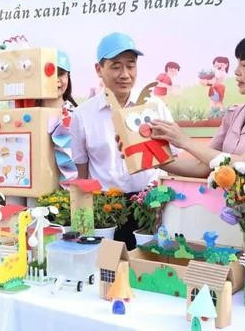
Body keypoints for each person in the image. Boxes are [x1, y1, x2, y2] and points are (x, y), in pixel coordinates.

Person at [70, 32, 175, 249]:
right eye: (116, 66)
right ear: (99, 69)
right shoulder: (83, 115)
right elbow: (82, 174)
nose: (125, 74)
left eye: (131, 65)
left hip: (148, 207)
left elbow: (172, 160)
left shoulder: (155, 108)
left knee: (145, 270)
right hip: (106, 210)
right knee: (106, 272)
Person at [152, 33, 245, 177]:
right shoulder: (234, 113)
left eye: (244, 65)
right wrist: (146, 157)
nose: (236, 72)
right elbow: (202, 166)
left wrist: (185, 142)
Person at [42, 50, 78, 181]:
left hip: (67, 193)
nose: (56, 80)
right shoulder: (27, 113)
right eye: (49, 74)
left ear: (68, 76)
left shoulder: (76, 115)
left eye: (61, 74)